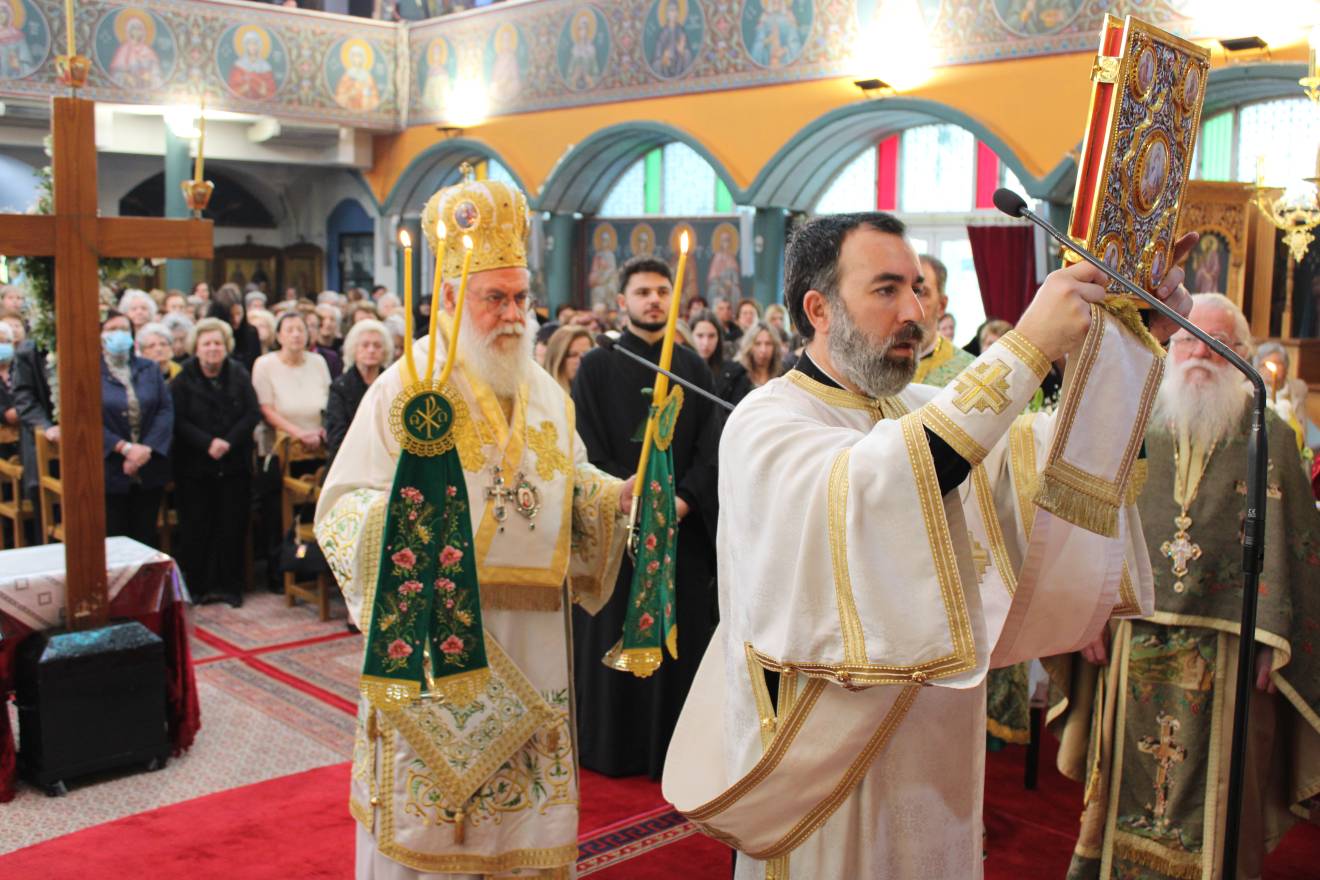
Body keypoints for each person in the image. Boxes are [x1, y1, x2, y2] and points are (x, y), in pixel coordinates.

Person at [661, 212, 1196, 877]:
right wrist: (1028, 346)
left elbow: (1049, 463)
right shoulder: (768, 419)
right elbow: (882, 483)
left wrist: (1130, 343)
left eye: (917, 288)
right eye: (886, 289)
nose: (915, 311)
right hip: (823, 761)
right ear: (818, 309)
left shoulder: (914, 405)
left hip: (932, 744)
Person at [315, 173, 632, 878]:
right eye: (496, 298)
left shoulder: (545, 394)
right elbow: (341, 509)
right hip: (439, 631)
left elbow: (570, 480)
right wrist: (404, 523)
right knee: (435, 829)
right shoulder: (406, 387)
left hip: (534, 636)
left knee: (521, 832)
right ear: (453, 299)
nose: (514, 315)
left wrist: (616, 499)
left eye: (521, 298)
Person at [1057, 294, 1320, 880]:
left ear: (1243, 354)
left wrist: (1275, 639)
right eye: (1186, 340)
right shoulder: (1130, 424)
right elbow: (1091, 521)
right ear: (1166, 349)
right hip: (1130, 633)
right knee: (1122, 771)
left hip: (1231, 647)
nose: (1200, 353)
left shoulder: (1272, 437)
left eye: (1218, 344)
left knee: (1225, 784)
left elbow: (1296, 548)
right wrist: (1085, 613)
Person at [571, 254, 722, 780]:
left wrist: (682, 501)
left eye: (662, 291)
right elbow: (584, 447)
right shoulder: (596, 365)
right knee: (614, 628)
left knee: (677, 640)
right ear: (622, 301)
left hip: (680, 530)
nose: (654, 300)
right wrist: (629, 500)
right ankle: (613, 749)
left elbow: (711, 446)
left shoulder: (691, 368)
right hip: (619, 528)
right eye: (643, 292)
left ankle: (672, 750)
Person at [169, 317, 260, 607]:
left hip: (233, 463)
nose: (212, 348)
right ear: (196, 347)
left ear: (226, 346)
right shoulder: (182, 379)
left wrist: (228, 441)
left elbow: (251, 413)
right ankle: (197, 587)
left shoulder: (238, 373)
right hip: (195, 464)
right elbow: (178, 419)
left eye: (218, 343)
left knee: (232, 526)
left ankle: (231, 586)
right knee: (197, 527)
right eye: (207, 343)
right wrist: (207, 443)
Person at [100, 311, 173, 548]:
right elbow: (89, 420)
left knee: (145, 535)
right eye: (112, 330)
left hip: (147, 464)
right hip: (111, 464)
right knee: (115, 537)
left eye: (124, 329)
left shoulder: (148, 368)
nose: (119, 334)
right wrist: (124, 448)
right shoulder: (91, 370)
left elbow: (164, 409)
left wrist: (145, 449)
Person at [252, 311, 331, 456]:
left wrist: (324, 429)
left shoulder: (318, 361)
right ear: (279, 336)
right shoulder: (264, 364)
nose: (296, 334)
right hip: (282, 443)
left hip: (319, 440)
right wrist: (299, 433)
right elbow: (266, 408)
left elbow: (330, 399)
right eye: (289, 330)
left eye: (300, 330)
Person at [324, 318, 392, 464]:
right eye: (365, 345)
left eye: (377, 345)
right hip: (349, 460)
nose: (371, 350)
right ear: (354, 349)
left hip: (387, 459)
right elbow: (336, 436)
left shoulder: (391, 384)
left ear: (385, 351)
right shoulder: (340, 387)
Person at [914, 254, 975, 385]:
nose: (907, 303)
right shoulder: (872, 361)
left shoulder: (969, 373)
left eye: (919, 292)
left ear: (941, 305)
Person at [208, 284, 262, 372]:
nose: (236, 320)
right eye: (231, 316)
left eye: (239, 314)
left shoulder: (251, 333)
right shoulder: (209, 334)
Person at [542, 325, 593, 392]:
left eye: (587, 354)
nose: (581, 360)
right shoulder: (541, 393)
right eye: (573, 355)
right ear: (558, 359)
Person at [689, 309, 726, 379]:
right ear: (690, 336)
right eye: (700, 336)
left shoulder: (730, 373)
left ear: (718, 338)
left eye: (711, 336)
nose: (706, 343)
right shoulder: (680, 369)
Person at [0, 321, 16, 460]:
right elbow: (9, 415)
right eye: (0, 342)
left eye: (7, 341)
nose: (4, 346)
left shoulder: (19, 370)